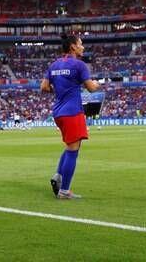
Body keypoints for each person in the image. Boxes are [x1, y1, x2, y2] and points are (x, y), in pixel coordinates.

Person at [41, 34, 99, 199]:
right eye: (81, 44)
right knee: (73, 151)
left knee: (71, 146)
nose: (83, 47)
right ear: (73, 46)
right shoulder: (79, 65)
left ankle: (58, 177)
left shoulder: (54, 65)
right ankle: (64, 191)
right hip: (73, 111)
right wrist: (97, 84)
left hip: (58, 112)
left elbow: (44, 87)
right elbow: (91, 89)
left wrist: (58, 91)